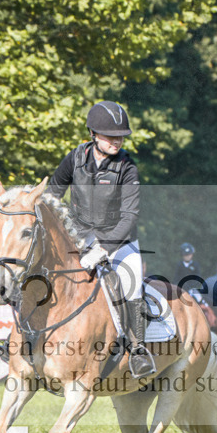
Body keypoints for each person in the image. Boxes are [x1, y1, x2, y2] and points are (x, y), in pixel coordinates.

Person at [45, 100, 154, 377]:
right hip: (79, 238)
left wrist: (104, 247)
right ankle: (27, 337)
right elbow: (52, 194)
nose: (117, 141)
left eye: (120, 136)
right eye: (110, 136)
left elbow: (130, 216)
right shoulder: (75, 158)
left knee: (130, 283)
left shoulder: (127, 167)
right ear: (93, 134)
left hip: (119, 242)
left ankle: (138, 349)